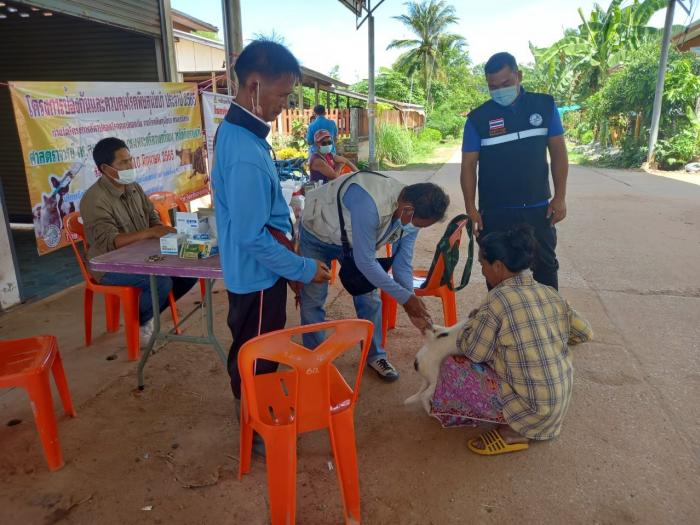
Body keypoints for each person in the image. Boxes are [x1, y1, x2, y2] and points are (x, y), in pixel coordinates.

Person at [211, 40, 331, 409]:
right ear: (254, 87)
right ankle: (257, 420)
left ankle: (253, 408)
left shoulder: (241, 133)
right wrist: (304, 268)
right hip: (259, 277)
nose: (286, 105)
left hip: (257, 273)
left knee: (255, 344)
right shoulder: (245, 151)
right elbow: (252, 236)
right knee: (259, 351)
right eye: (283, 95)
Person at [429, 225, 592, 455]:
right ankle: (523, 419)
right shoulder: (550, 293)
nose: (483, 271)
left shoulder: (497, 299)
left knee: (452, 366)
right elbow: (585, 333)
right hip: (556, 405)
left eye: (483, 265)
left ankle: (514, 431)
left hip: (531, 412)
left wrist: (473, 324)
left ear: (498, 266)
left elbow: (475, 353)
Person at [300, 172, 449, 381]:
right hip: (318, 234)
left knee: (369, 296)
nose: (417, 229)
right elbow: (365, 262)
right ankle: (315, 362)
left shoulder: (412, 215)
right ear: (408, 210)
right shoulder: (370, 202)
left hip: (351, 241)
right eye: (420, 225)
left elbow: (402, 265)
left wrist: (411, 300)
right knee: (313, 299)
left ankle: (375, 355)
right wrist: (406, 300)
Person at [460, 52, 569, 290]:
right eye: (493, 87)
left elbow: (559, 153)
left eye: (506, 83)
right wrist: (471, 208)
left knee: (545, 270)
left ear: (518, 76)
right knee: (497, 274)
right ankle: (503, 325)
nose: (500, 90)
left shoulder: (545, 106)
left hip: (538, 209)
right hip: (496, 212)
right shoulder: (478, 119)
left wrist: (559, 197)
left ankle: (549, 324)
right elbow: (468, 165)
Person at [80, 137, 198, 341]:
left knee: (189, 270)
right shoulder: (94, 200)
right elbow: (111, 242)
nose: (130, 166)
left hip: (142, 254)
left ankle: (149, 313)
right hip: (110, 265)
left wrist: (162, 229)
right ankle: (142, 321)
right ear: (105, 168)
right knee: (160, 282)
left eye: (130, 160)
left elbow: (151, 216)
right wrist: (150, 233)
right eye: (123, 163)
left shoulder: (133, 186)